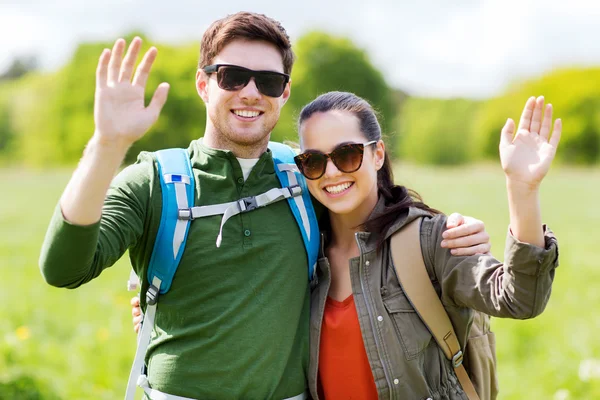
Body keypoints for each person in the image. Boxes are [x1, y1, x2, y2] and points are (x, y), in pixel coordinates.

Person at [40, 12, 491, 400]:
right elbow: (62, 269)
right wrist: (107, 144)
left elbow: (371, 209)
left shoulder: (307, 176)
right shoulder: (152, 181)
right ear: (204, 83)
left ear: (284, 93)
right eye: (233, 76)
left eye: (268, 81)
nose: (251, 92)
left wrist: (447, 226)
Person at [290, 91, 558, 399]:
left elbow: (520, 299)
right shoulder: (305, 255)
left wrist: (522, 190)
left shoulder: (428, 240)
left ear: (378, 154)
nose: (332, 172)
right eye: (313, 161)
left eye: (347, 154)